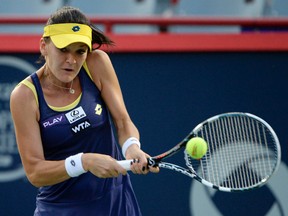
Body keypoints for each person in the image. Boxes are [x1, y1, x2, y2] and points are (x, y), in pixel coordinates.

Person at [10, 6, 158, 216]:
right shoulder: (24, 96)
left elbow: (123, 122)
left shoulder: (96, 63)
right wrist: (84, 162)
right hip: (61, 209)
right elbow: (35, 172)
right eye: (63, 49)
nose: (71, 60)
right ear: (44, 46)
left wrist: (132, 148)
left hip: (116, 204)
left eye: (80, 51)